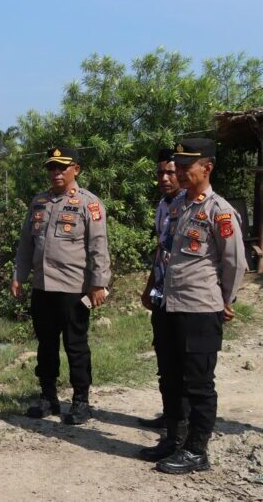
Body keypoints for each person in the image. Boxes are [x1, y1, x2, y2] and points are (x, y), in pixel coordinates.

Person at [152, 138, 246, 474]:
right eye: (176, 165)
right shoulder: (177, 207)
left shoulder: (219, 211)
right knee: (170, 377)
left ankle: (196, 450)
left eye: (185, 165)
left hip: (200, 308)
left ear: (206, 168)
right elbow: (163, 252)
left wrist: (225, 300)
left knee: (199, 384)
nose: (177, 171)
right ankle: (172, 439)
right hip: (169, 305)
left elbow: (234, 262)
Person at [11, 147, 111, 426]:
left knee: (76, 345)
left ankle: (81, 401)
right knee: (45, 344)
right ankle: (48, 396)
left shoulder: (88, 203)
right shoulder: (39, 202)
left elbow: (98, 246)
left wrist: (98, 283)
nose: (56, 172)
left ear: (75, 169)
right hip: (43, 287)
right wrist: (19, 275)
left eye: (62, 167)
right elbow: (25, 244)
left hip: (73, 287)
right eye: (52, 168)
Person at [137, 149, 189, 460]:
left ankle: (184, 431)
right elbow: (161, 250)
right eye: (160, 173)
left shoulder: (193, 206)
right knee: (165, 362)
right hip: (162, 295)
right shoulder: (163, 206)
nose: (165, 178)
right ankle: (170, 418)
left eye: (170, 172)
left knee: (185, 369)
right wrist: (148, 287)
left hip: (186, 298)